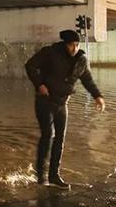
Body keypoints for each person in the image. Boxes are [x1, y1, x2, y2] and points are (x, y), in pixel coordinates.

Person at [25, 29, 106, 189]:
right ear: (64, 44)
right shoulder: (50, 53)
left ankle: (54, 176)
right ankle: (41, 176)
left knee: (60, 139)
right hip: (45, 101)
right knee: (48, 135)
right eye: (71, 45)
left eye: (77, 45)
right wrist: (39, 84)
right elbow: (30, 66)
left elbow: (87, 79)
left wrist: (97, 96)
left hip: (62, 103)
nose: (74, 48)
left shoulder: (79, 60)